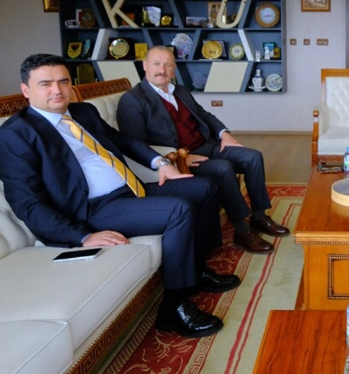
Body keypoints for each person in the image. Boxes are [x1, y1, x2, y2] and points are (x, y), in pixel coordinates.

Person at [0, 54, 240, 340]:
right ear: (26, 90)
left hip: (128, 191)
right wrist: (83, 236)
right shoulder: (15, 134)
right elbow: (27, 203)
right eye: (45, 84)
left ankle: (197, 270)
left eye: (63, 81)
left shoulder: (83, 112)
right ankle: (174, 307)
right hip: (90, 210)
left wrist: (161, 163)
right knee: (178, 209)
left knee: (204, 186)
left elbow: (122, 140)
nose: (57, 90)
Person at [116, 46, 289, 255]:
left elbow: (205, 116)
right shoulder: (133, 100)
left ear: (174, 68)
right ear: (145, 66)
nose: (162, 70)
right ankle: (241, 231)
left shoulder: (180, 90)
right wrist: (178, 159)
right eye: (157, 64)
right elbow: (136, 145)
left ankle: (259, 217)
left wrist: (225, 134)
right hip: (179, 156)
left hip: (206, 145)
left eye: (168, 64)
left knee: (252, 157)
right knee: (223, 168)